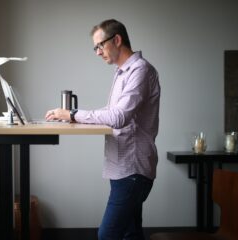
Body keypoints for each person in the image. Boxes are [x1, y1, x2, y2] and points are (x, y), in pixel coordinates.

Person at [45, 19, 160, 240]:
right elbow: (110, 113)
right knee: (130, 233)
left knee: (108, 235)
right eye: (95, 47)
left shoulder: (140, 71)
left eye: (100, 45)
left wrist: (72, 114)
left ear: (117, 40)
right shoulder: (122, 73)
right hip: (123, 168)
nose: (97, 52)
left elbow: (118, 117)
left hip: (132, 169)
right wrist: (72, 118)